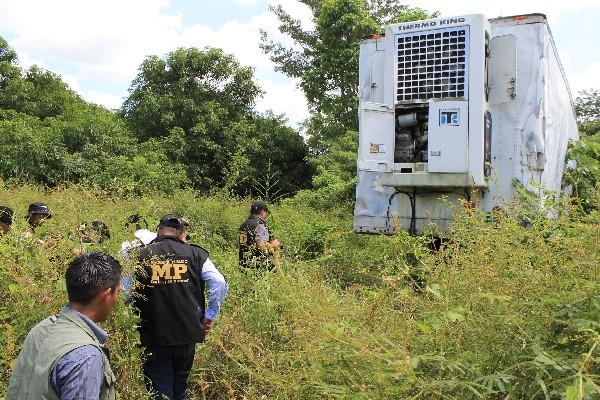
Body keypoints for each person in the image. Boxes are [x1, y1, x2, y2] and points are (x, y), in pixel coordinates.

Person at [133, 214, 228, 400]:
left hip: (154, 335)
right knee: (179, 387)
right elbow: (219, 282)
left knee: (159, 389)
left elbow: (126, 292)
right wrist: (209, 317)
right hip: (187, 333)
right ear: (180, 233)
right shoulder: (195, 254)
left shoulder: (141, 255)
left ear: (158, 230)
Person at [7, 252, 122, 400]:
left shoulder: (42, 329)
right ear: (106, 295)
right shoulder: (85, 355)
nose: (117, 299)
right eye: (117, 292)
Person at [239, 200, 282, 270]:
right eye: (266, 213)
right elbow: (262, 246)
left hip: (244, 265)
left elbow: (243, 245)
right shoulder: (260, 225)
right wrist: (273, 245)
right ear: (262, 212)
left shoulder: (243, 225)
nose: (266, 215)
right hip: (258, 267)